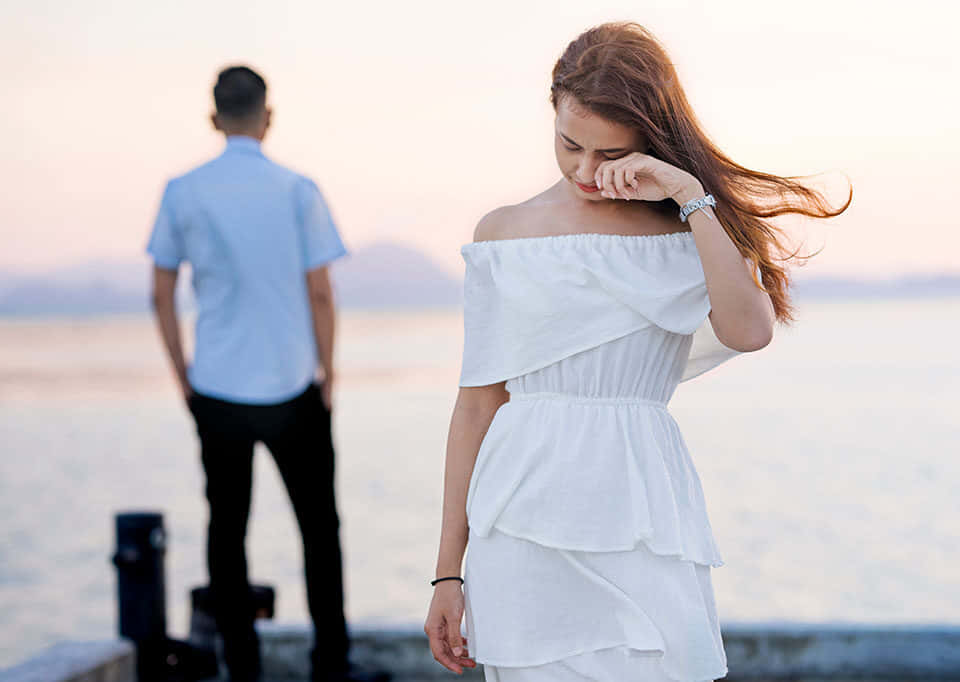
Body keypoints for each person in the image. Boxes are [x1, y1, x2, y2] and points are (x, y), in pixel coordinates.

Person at [424, 22, 850, 681]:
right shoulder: (503, 233)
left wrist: (688, 197)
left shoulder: (687, 232)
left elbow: (751, 330)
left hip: (643, 519)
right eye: (571, 146)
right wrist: (447, 572)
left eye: (609, 152)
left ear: (650, 140)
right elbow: (477, 404)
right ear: (552, 111)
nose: (586, 172)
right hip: (520, 523)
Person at [147, 66, 390, 682]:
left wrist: (184, 376)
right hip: (293, 387)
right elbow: (321, 293)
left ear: (213, 117)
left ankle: (242, 667)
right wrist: (329, 373)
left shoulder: (183, 190)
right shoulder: (297, 189)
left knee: (226, 532)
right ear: (267, 116)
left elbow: (161, 291)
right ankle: (331, 665)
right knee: (320, 531)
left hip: (218, 388)